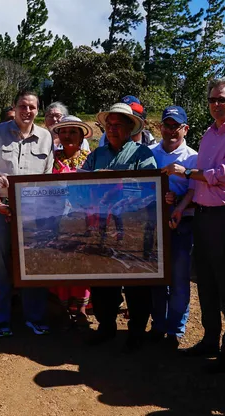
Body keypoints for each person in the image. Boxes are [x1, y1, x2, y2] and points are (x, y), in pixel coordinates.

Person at [178, 78, 225, 373]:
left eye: (221, 100)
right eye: (212, 100)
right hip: (204, 216)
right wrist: (184, 205)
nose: (216, 105)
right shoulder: (208, 134)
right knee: (206, 282)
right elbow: (200, 185)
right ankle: (210, 340)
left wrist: (187, 172)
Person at [82, 102, 158, 352]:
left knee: (136, 281)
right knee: (103, 279)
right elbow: (80, 183)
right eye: (110, 125)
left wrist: (119, 183)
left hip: (133, 227)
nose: (113, 129)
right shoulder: (96, 155)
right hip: (102, 227)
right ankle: (106, 327)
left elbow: (150, 188)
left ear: (129, 127)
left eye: (118, 125)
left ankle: (137, 330)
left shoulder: (142, 155)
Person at [0, 90, 54, 337]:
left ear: (38, 110)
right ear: (14, 107)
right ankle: (0, 320)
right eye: (22, 106)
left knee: (34, 265)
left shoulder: (46, 138)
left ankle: (34, 317)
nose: (27, 111)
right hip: (1, 209)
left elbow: (47, 179)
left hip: (33, 213)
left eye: (32, 107)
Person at [152, 106, 198, 347]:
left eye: (175, 126)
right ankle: (158, 324)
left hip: (183, 223)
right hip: (154, 224)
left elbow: (197, 191)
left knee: (179, 279)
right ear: (160, 127)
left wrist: (178, 202)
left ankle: (176, 328)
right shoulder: (149, 153)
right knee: (157, 278)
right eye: (166, 125)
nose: (170, 130)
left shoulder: (193, 158)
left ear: (185, 129)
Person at [49, 115, 94, 329]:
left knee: (82, 261)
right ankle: (62, 305)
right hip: (55, 219)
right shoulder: (51, 158)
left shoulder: (90, 159)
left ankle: (82, 308)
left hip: (84, 219)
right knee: (60, 259)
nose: (68, 136)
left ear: (81, 135)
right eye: (63, 132)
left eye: (73, 132)